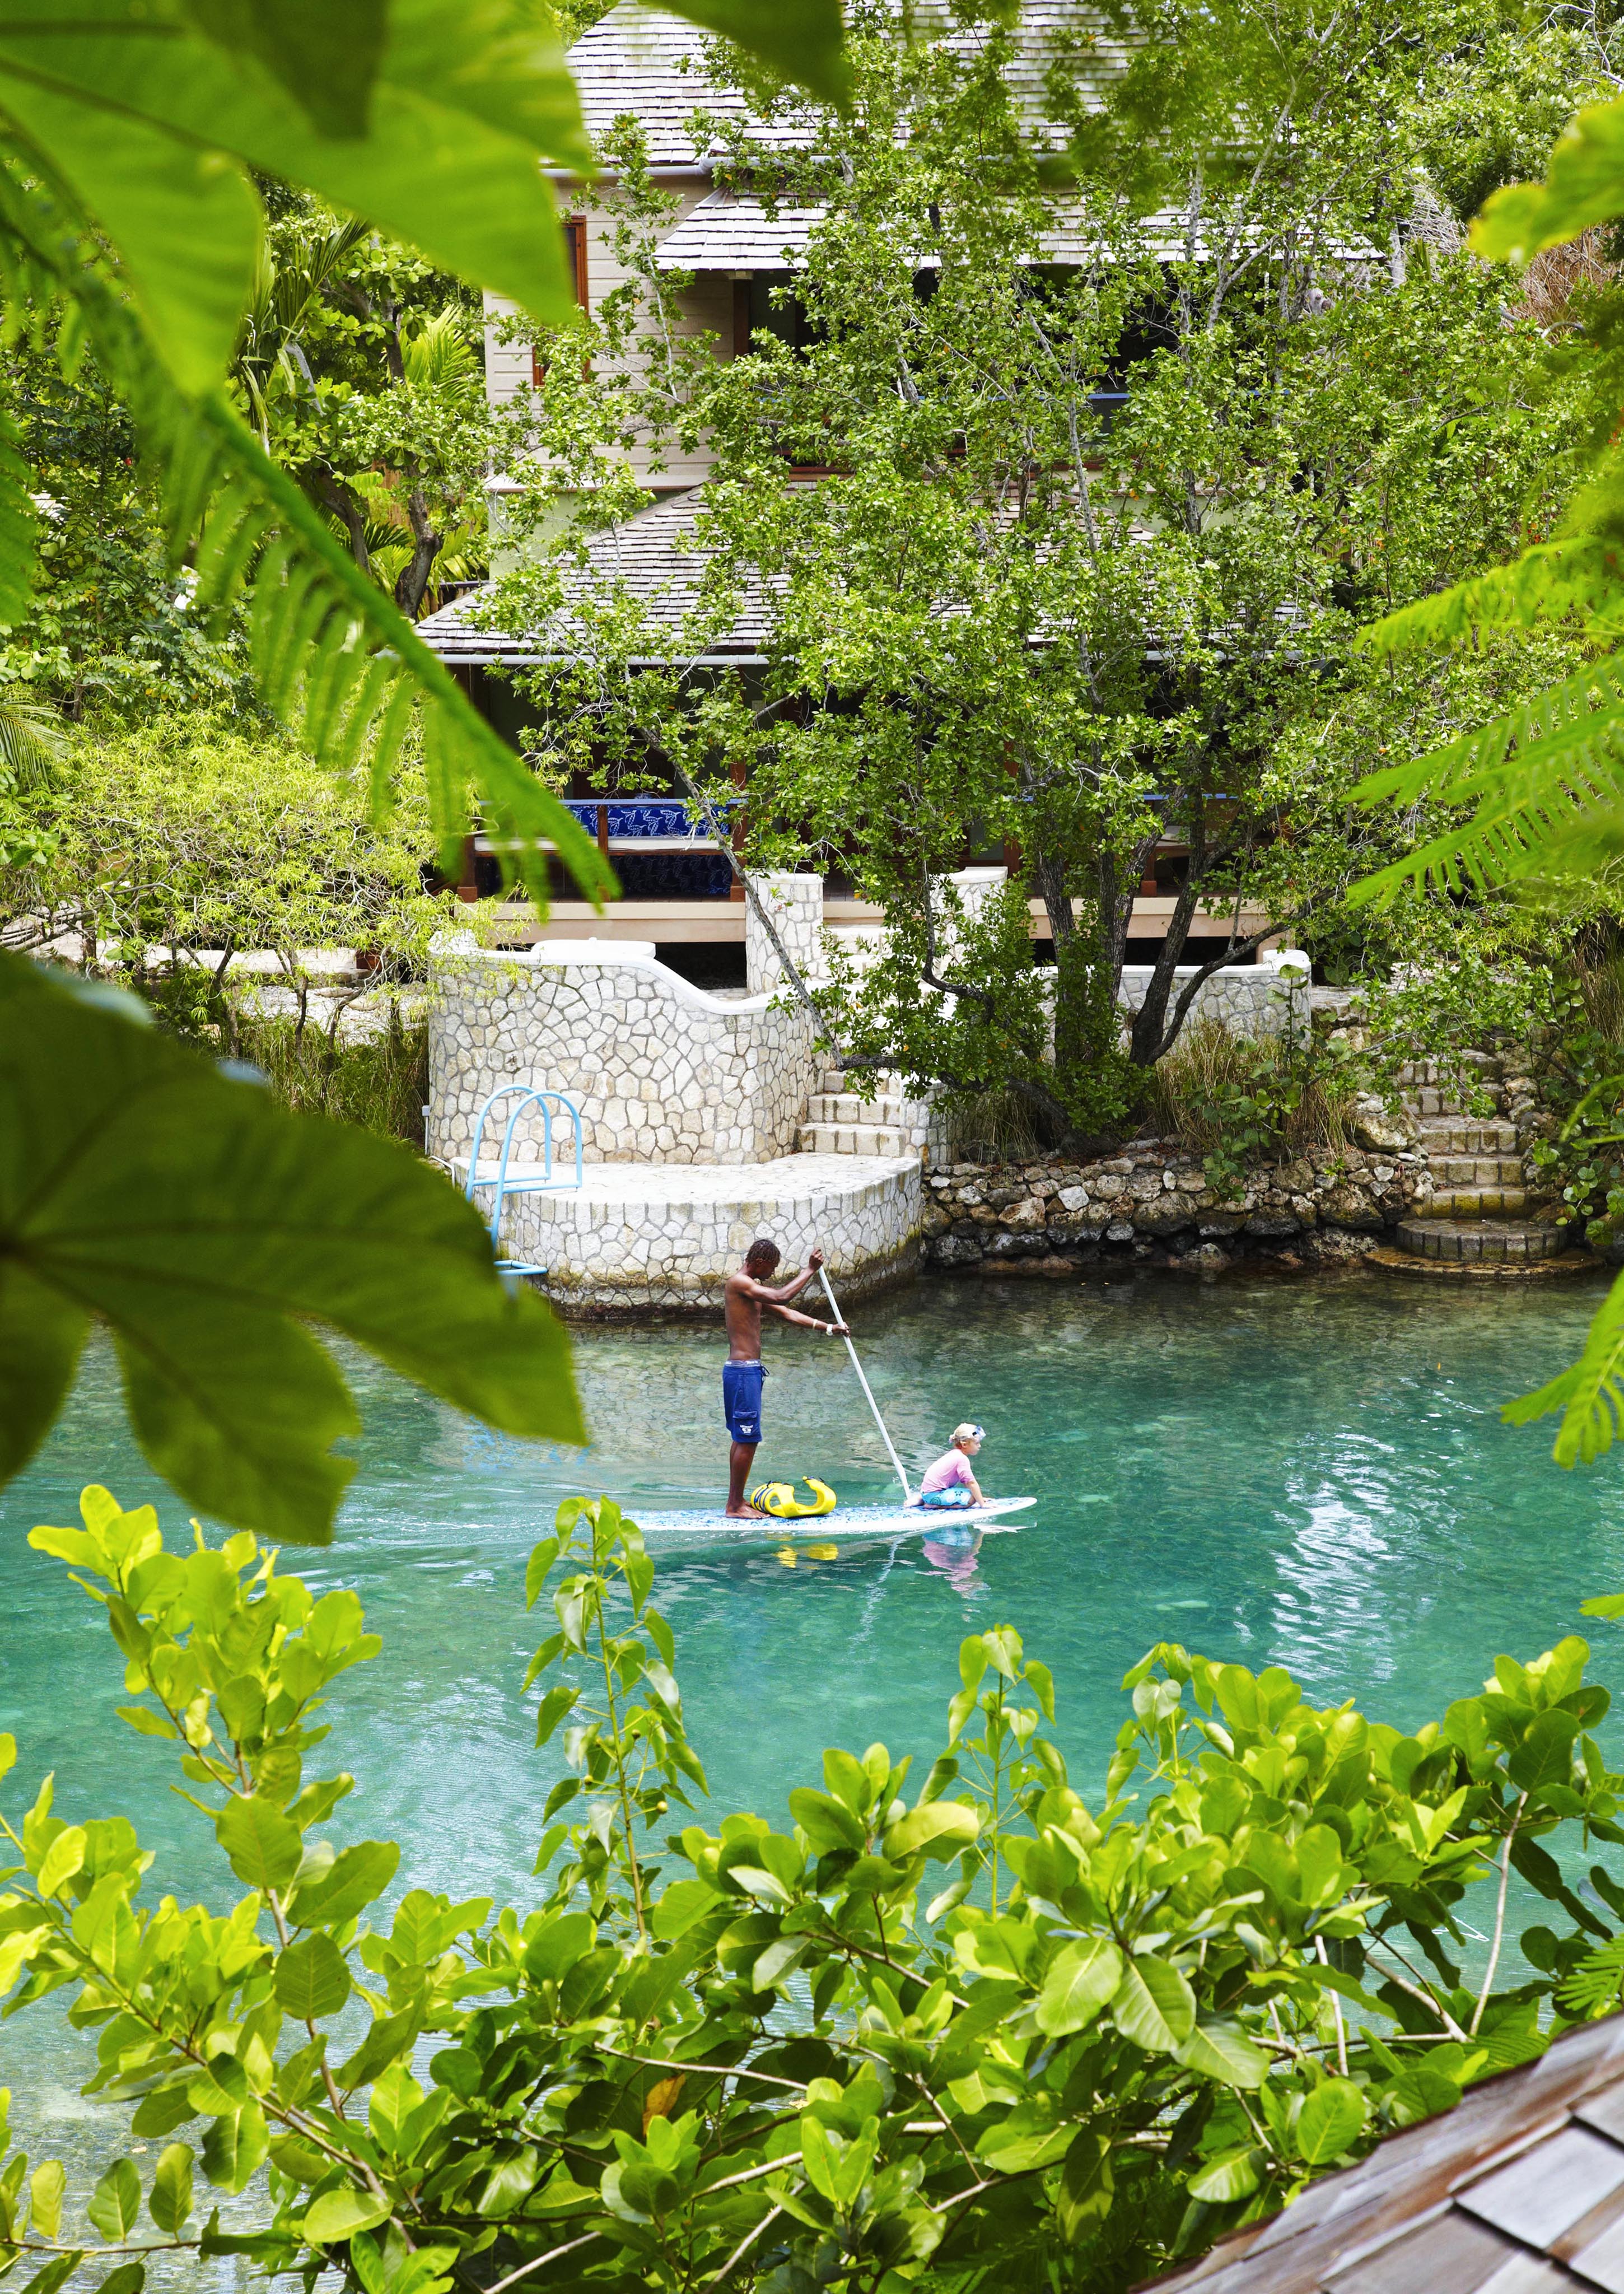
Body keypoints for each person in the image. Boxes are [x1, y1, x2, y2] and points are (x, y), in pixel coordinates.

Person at [722, 1239, 848, 1517]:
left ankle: (736, 1502)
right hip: (743, 1372)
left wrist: (828, 1328)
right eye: (772, 1267)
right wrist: (809, 1271)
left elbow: (786, 1313)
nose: (773, 1273)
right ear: (759, 1262)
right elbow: (782, 1297)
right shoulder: (739, 1283)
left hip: (747, 1372)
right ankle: (734, 1506)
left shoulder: (751, 1291)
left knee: (743, 1438)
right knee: (747, 1438)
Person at [914, 1423, 986, 1510]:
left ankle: (925, 1500)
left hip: (927, 1493)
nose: (980, 1446)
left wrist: (980, 1499)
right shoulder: (962, 1459)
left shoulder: (955, 1454)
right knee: (971, 1500)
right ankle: (934, 1506)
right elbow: (971, 1483)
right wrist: (982, 1504)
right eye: (977, 1443)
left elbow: (967, 1482)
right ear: (964, 1445)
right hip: (934, 1495)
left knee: (972, 1495)